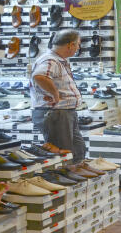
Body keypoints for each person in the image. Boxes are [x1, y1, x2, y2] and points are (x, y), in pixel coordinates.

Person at [30, 29, 95, 173]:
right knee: (63, 151)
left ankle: (78, 177)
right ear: (70, 45)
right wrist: (55, 94)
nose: (78, 48)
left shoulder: (58, 60)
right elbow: (39, 76)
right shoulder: (50, 60)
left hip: (64, 112)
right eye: (78, 44)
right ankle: (63, 180)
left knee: (77, 148)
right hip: (55, 113)